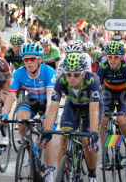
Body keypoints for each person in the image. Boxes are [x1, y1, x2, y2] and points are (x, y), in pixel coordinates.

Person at [40, 52, 101, 182]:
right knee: (64, 135)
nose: (72, 77)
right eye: (68, 74)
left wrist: (94, 135)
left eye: (77, 74)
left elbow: (94, 111)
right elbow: (52, 109)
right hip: (73, 106)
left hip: (90, 107)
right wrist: (47, 133)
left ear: (84, 73)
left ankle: (92, 175)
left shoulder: (93, 81)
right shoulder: (61, 80)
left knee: (87, 140)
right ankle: (60, 176)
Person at [1, 43, 56, 182]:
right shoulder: (19, 72)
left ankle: (50, 172)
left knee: (47, 135)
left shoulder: (48, 71)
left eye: (32, 59)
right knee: (21, 117)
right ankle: (26, 146)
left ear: (39, 59)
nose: (29, 62)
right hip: (31, 100)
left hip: (46, 101)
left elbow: (50, 98)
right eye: (26, 59)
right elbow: (12, 95)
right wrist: (5, 114)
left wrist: (47, 116)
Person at [97, 41, 126, 169]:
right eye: (109, 57)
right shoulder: (102, 67)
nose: (112, 60)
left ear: (121, 57)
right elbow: (97, 90)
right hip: (109, 94)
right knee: (103, 120)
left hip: (123, 94)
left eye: (116, 57)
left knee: (121, 120)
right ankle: (105, 153)